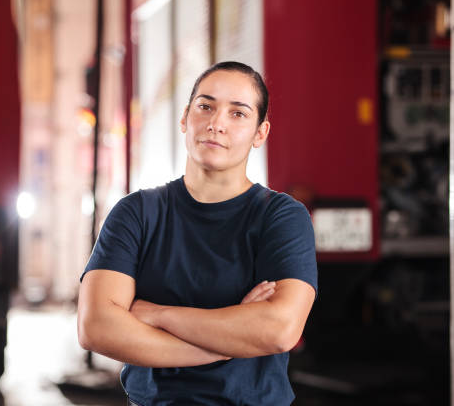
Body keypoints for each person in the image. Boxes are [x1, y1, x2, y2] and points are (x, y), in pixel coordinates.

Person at [77, 61, 317, 406]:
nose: (216, 123)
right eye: (206, 107)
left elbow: (279, 330)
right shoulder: (137, 213)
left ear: (260, 133)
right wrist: (225, 345)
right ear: (185, 117)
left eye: (238, 114)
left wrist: (160, 315)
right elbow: (97, 327)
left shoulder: (280, 217)